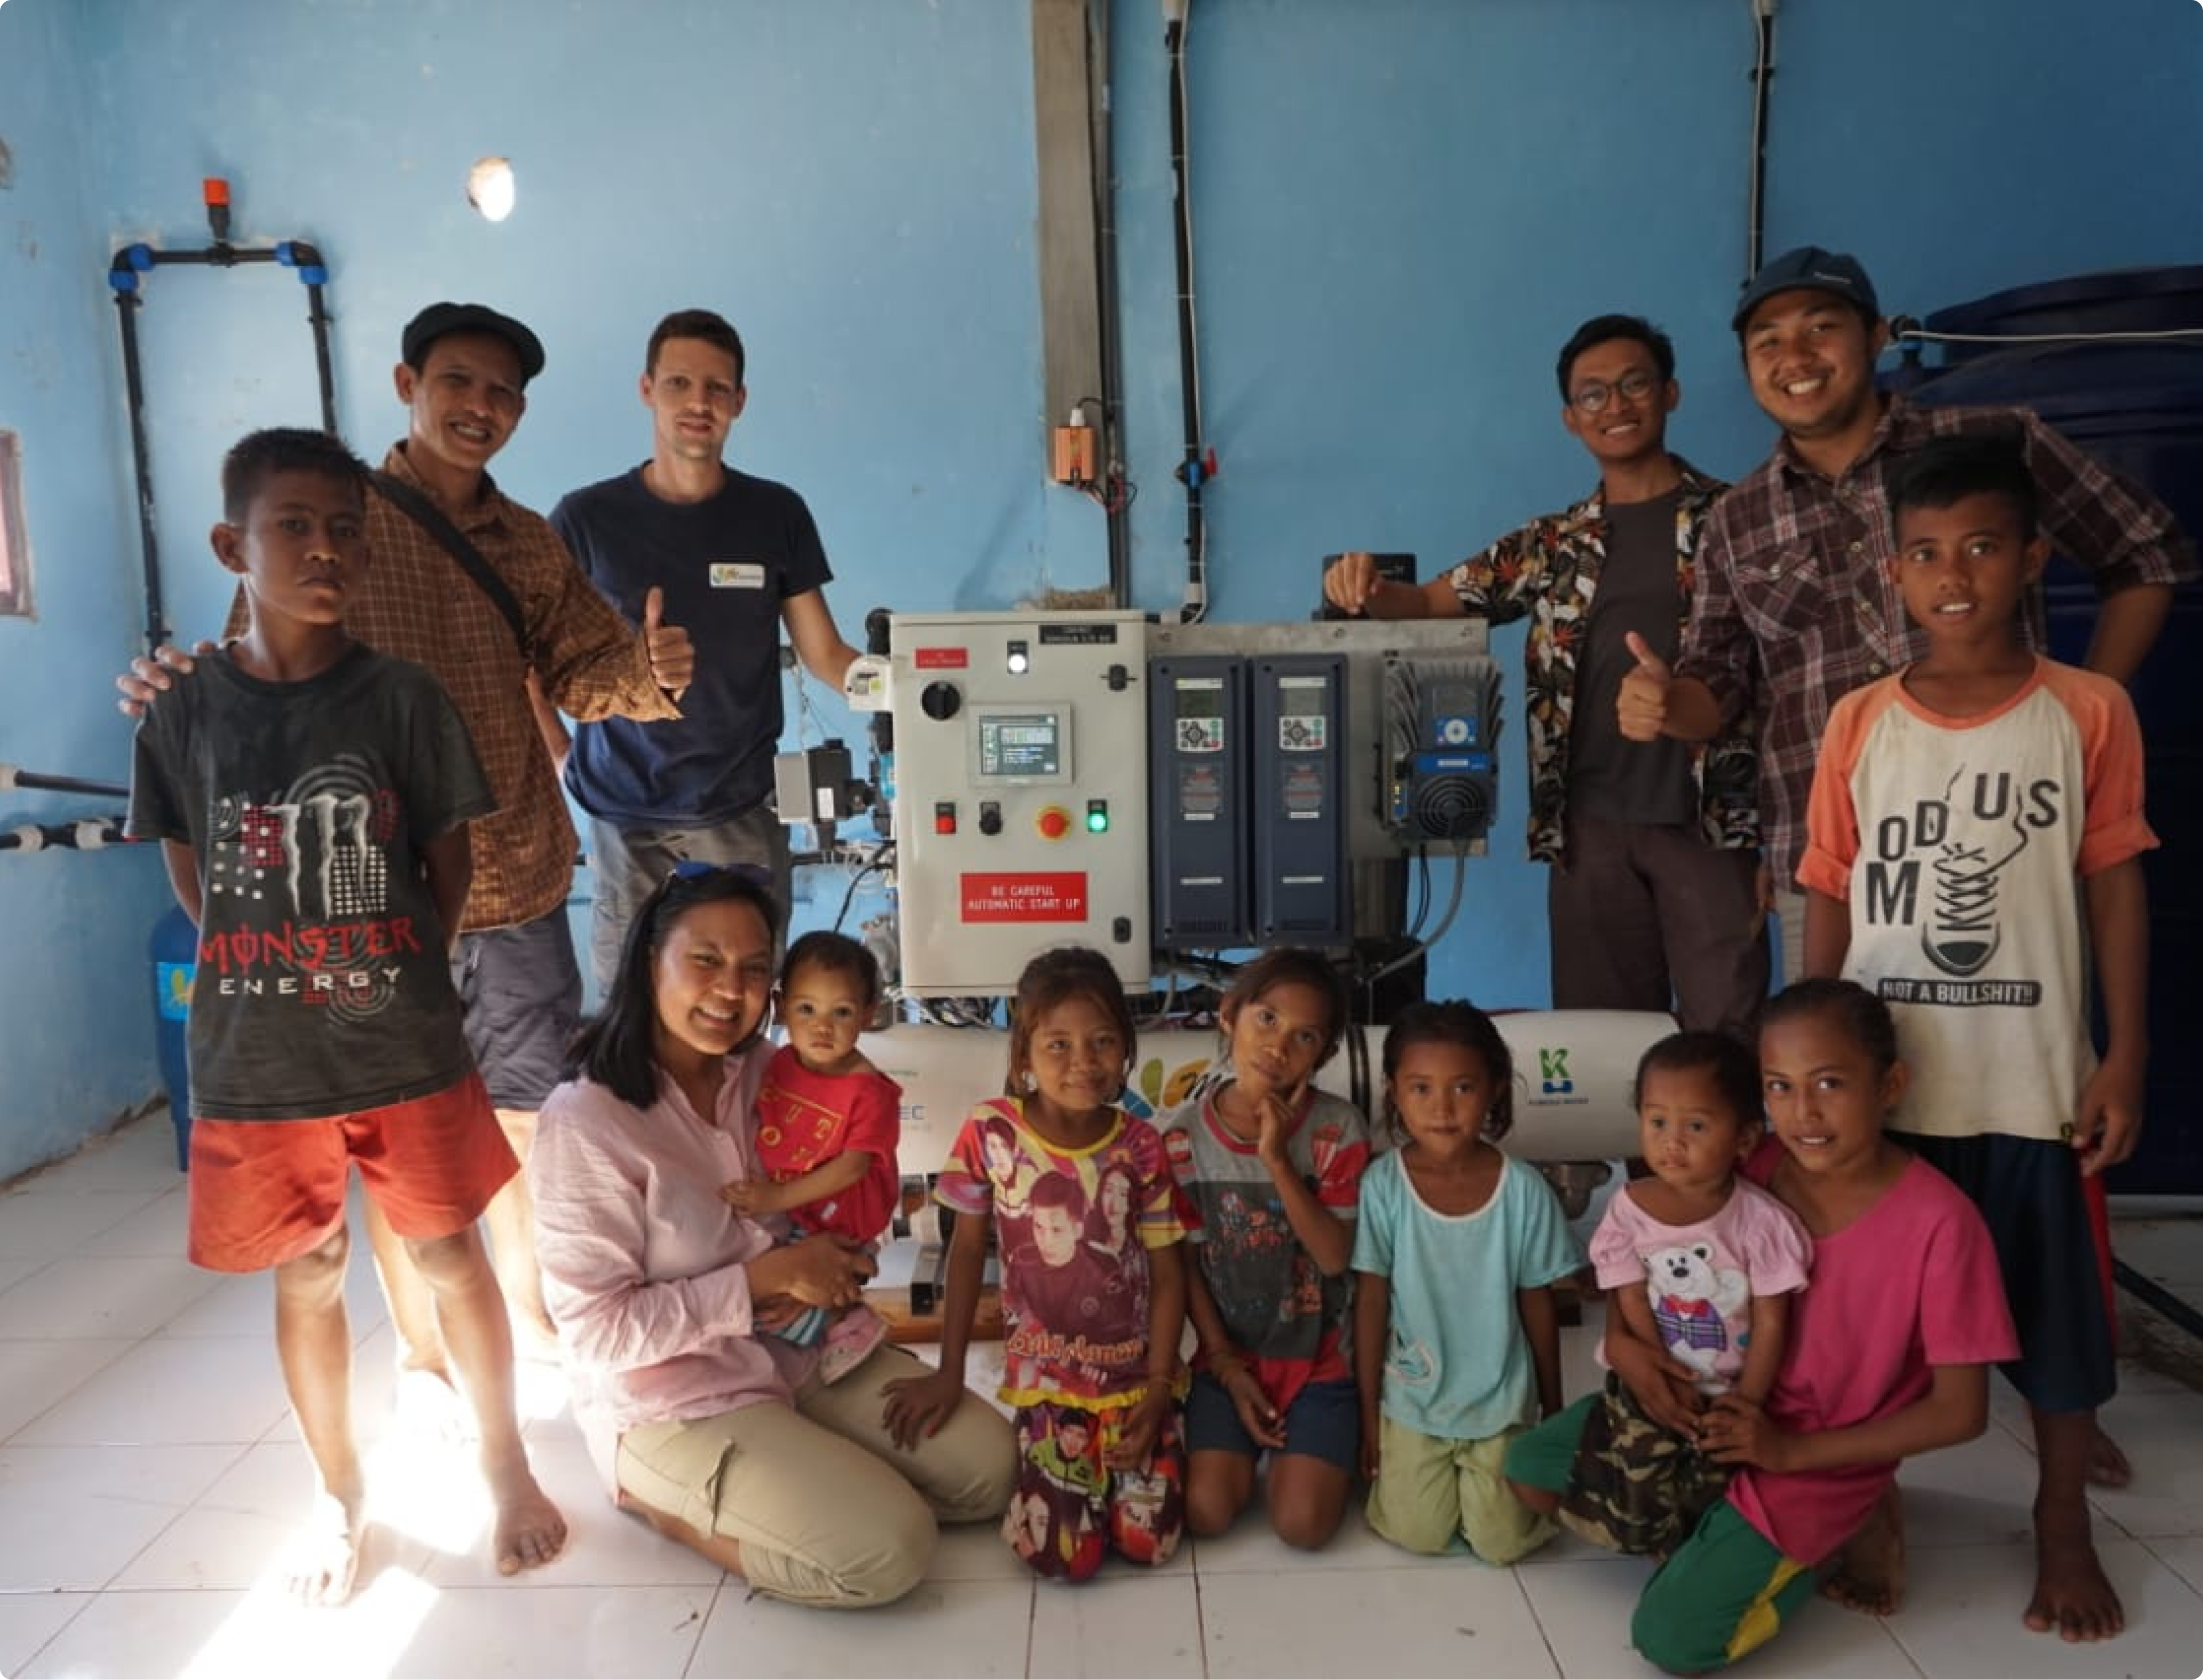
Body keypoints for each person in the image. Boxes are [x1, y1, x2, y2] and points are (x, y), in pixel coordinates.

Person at [117, 301, 699, 1398]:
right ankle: (428, 1343)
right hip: (361, 892)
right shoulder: (342, 517)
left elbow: (583, 667)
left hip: (509, 863)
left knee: (522, 1110)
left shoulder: (526, 541)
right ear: (408, 385)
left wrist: (648, 672)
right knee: (386, 1128)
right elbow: (258, 664)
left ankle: (526, 1308)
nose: (482, 407)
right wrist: (174, 684)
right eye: (459, 382)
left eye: (504, 392)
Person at [124, 427, 566, 1605]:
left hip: (403, 1040)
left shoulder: (402, 697)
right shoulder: (183, 712)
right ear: (233, 546)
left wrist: (398, 963)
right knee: (309, 1268)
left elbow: (448, 864)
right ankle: (339, 1491)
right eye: (294, 527)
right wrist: (277, 963)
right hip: (260, 1056)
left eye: (344, 530)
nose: (325, 550)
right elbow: (195, 878)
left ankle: (507, 1465)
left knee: (450, 1250)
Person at [1796, 433, 2155, 1642]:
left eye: (1983, 547)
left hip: (2031, 1083)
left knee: (2058, 1323)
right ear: (1893, 571)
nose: (1954, 576)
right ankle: (1866, 1498)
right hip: (1885, 1100)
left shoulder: (2089, 711)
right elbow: (1829, 888)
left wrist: (2124, 1054)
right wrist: (1801, 1073)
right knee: (1865, 1323)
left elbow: (2114, 884)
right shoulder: (1858, 722)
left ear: (2033, 559)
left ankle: (2062, 1519)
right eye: (1926, 554)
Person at [1617, 247, 2190, 983]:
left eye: (1821, 327)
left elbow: (2145, 552)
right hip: (1830, 868)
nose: (1796, 357)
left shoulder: (1992, 443)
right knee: (1830, 1053)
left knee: (2019, 1047)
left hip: (2004, 846)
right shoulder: (1737, 517)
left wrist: (2081, 712)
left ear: (1877, 336)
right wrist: (1668, 705)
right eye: (1768, 342)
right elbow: (1717, 686)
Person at [527, 866, 1014, 1607]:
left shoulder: (768, 1069)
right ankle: (666, 1502)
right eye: (706, 960)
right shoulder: (587, 1122)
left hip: (802, 1349)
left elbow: (846, 1184)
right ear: (650, 961)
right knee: (888, 1551)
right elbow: (595, 1334)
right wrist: (768, 1277)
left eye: (755, 969)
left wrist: (844, 1256)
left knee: (992, 1472)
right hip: (679, 1398)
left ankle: (815, 1474)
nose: (731, 990)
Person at [1324, 314, 1765, 1037]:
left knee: (1725, 1036)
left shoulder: (1736, 521)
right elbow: (1432, 602)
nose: (1615, 405)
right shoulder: (1554, 543)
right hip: (1588, 829)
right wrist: (1366, 587)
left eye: (1634, 385)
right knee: (1601, 1042)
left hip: (1708, 822)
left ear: (1670, 394)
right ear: (1570, 418)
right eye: (1593, 394)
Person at [1613, 981, 2018, 1671]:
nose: (1803, 1113)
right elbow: (1648, 1260)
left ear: (1890, 1085)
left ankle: (1848, 1519)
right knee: (1536, 1470)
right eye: (1779, 1086)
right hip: (1717, 1406)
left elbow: (1961, 1413)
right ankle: (1735, 1522)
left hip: (1815, 1454)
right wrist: (1626, 1350)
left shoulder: (1942, 1225)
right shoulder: (1755, 1168)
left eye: (1830, 1083)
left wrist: (1790, 1453)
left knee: (1671, 1638)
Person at [545, 308, 864, 988]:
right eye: (679, 384)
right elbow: (528, 659)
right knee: (633, 1012)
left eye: (717, 388)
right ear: (647, 390)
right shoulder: (585, 519)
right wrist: (560, 756)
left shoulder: (775, 515)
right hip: (623, 817)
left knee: (738, 1001)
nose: (699, 403)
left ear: (739, 402)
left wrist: (916, 689)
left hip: (738, 809)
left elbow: (826, 656)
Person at [883, 947, 1189, 1582]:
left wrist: (1160, 1388)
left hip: (1135, 1380)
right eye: (1058, 1045)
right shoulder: (991, 1133)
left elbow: (1167, 1273)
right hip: (1048, 1381)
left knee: (1149, 1545)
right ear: (1023, 1055)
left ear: (1126, 1048)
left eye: (1103, 1041)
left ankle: (1159, 1435)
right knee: (1060, 1557)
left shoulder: (1142, 1145)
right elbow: (968, 1252)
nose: (1084, 1062)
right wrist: (950, 1374)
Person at [1504, 1030, 1812, 1557]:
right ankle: (1651, 1532)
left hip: (1726, 1400)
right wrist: (1656, 1373)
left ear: (1744, 1138)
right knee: (1557, 1473)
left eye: (1696, 1126)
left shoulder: (1761, 1223)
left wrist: (1745, 1405)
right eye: (1657, 1122)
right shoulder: (1629, 1208)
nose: (1673, 1142)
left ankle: (1701, 1544)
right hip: (1646, 1386)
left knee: (1706, 1490)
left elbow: (1773, 1324)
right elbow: (1629, 1299)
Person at [1352, 1000, 1583, 1563]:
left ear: (1495, 1089)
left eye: (1463, 1087)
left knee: (1502, 1543)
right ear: (1394, 1092)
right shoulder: (1383, 1186)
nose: (1442, 1109)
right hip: (1414, 1397)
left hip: (1500, 1401)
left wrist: (1552, 1412)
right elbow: (1371, 1302)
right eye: (1421, 1088)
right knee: (1419, 1533)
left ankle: (1484, 1486)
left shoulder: (1523, 1191)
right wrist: (1369, 1416)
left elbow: (1538, 1303)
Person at [1155, 948, 1372, 1550]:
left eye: (1305, 1036)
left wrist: (1276, 1160)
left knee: (1302, 1526)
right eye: (1267, 1019)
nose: (1278, 1046)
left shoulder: (1337, 1130)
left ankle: (1306, 1444)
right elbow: (1188, 1267)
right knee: (1205, 1512)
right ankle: (1250, 1435)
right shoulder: (1181, 1139)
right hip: (1230, 1361)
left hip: (1320, 1361)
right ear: (1229, 1015)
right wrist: (1225, 1365)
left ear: (1323, 1055)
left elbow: (1334, 1259)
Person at [722, 927, 901, 1382]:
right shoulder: (781, 1062)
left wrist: (776, 1198)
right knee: (777, 1295)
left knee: (783, 1307)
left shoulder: (869, 1091)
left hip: (842, 1213)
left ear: (868, 1014)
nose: (823, 1026)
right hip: (800, 1205)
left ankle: (850, 1322)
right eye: (807, 1009)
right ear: (781, 1007)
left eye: (842, 1012)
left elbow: (854, 1166)